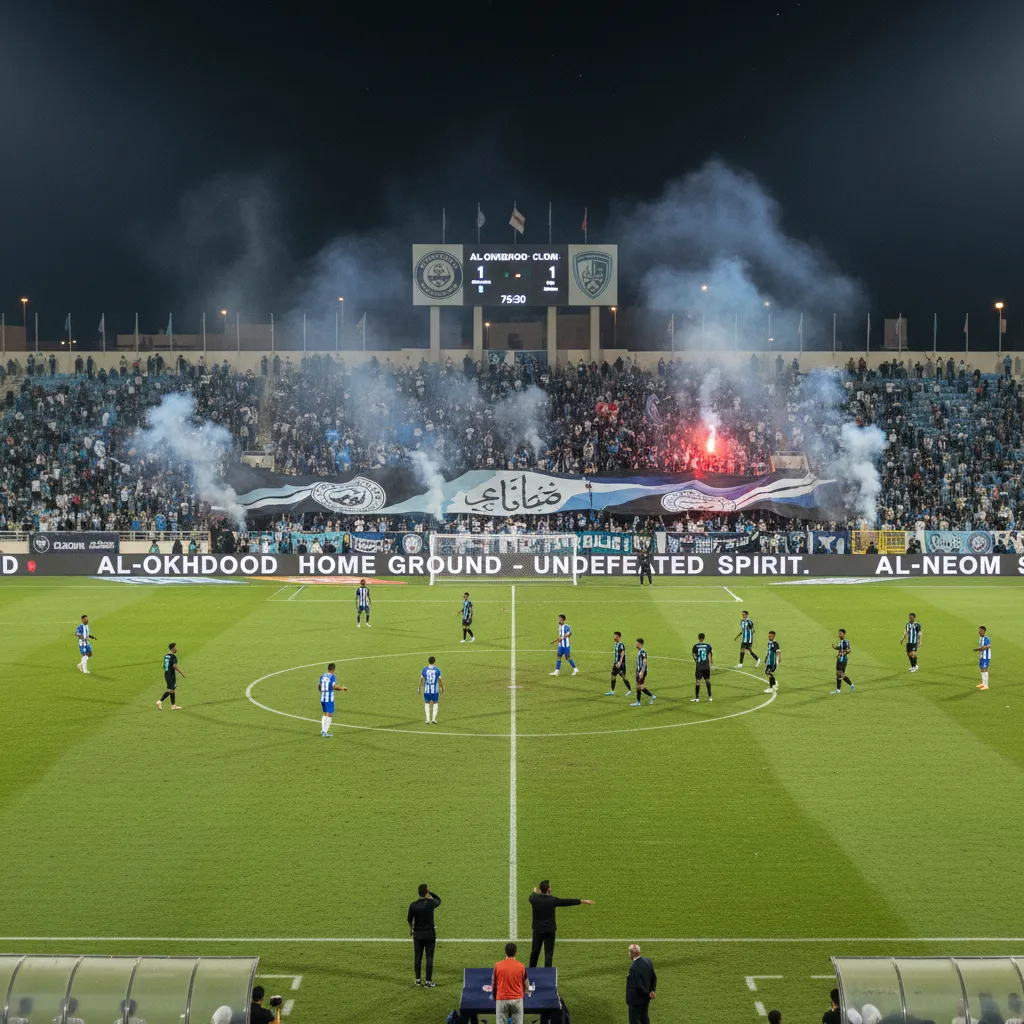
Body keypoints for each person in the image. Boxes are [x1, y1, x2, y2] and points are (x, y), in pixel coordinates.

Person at [528, 879, 594, 967]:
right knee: (548, 953)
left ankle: (531, 972)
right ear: (548, 889)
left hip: (537, 930)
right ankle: (548, 974)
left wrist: (535, 892)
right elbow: (566, 902)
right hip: (549, 930)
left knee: (535, 952)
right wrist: (582, 901)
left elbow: (533, 894)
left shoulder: (534, 898)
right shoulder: (552, 900)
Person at [407, 883, 441, 987]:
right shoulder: (431, 903)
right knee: (429, 957)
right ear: (426, 892)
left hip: (418, 934)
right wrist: (430, 893)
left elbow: (409, 919)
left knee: (418, 957)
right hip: (429, 934)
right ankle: (428, 981)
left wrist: (411, 927)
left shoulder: (413, 905)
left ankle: (418, 979)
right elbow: (439, 900)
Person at [491, 942, 529, 1024]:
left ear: (505, 952)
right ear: (516, 952)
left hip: (502, 999)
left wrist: (494, 994)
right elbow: (526, 982)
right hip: (517, 1000)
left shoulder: (498, 965)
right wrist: (527, 990)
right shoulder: (521, 966)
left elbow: (493, 982)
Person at [626, 943, 657, 1024]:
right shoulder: (648, 962)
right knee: (645, 1020)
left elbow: (638, 985)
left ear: (631, 954)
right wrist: (652, 991)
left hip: (635, 1001)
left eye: (629, 952)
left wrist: (648, 993)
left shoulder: (634, 967)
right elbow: (654, 977)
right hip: (645, 1000)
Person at [319, 662, 347, 737]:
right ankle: (324, 732)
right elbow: (334, 686)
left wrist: (322, 691)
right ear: (333, 669)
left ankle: (324, 731)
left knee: (327, 713)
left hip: (322, 697)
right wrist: (342, 688)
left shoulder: (322, 676)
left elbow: (319, 686)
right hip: (329, 698)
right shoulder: (332, 677)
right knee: (329, 713)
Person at [157, 643, 184, 710]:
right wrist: (181, 672)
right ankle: (160, 701)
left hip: (166, 673)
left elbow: (164, 666)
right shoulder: (173, 656)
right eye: (175, 647)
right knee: (170, 689)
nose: (176, 648)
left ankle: (173, 705)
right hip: (171, 675)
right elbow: (174, 666)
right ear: (173, 648)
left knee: (172, 689)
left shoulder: (166, 655)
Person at [629, 638, 656, 706]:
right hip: (639, 671)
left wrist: (641, 671)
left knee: (639, 686)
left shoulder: (642, 652)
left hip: (641, 672)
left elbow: (645, 661)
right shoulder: (640, 651)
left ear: (640, 644)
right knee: (638, 686)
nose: (636, 645)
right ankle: (640, 701)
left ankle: (650, 697)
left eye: (637, 643)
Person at [418, 656, 444, 724]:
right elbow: (440, 680)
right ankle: (434, 719)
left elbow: (421, 679)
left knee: (427, 703)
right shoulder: (437, 670)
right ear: (434, 661)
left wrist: (420, 687)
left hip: (426, 690)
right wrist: (442, 687)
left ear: (428, 661)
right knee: (435, 703)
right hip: (434, 690)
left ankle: (427, 719)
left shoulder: (424, 669)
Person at [606, 631, 632, 697]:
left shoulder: (621, 645)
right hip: (615, 664)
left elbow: (622, 654)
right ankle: (612, 691)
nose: (615, 638)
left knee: (623, 677)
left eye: (616, 637)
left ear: (619, 637)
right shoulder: (615, 645)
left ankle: (630, 690)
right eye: (614, 636)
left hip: (621, 665)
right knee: (613, 676)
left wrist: (620, 662)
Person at [830, 630, 854, 694]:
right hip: (839, 658)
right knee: (838, 673)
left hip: (843, 659)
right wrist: (836, 648)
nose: (839, 634)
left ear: (843, 634)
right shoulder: (840, 641)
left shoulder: (846, 641)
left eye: (840, 633)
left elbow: (849, 650)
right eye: (839, 633)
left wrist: (842, 653)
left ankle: (851, 684)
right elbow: (841, 649)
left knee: (840, 673)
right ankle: (838, 690)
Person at [691, 633, 713, 702]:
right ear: (704, 638)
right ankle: (710, 697)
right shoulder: (708, 646)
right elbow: (709, 656)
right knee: (707, 681)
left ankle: (697, 698)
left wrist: (696, 661)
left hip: (699, 666)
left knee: (698, 681)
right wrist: (710, 665)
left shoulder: (695, 646)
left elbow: (694, 655)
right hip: (706, 666)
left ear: (698, 638)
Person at [974, 625, 992, 690]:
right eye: (979, 630)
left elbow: (989, 646)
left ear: (983, 631)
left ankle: (986, 685)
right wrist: (979, 651)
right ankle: (983, 683)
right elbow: (981, 647)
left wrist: (981, 648)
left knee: (984, 669)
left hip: (986, 657)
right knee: (981, 669)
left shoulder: (987, 638)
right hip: (982, 656)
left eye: (980, 631)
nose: (979, 632)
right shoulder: (980, 638)